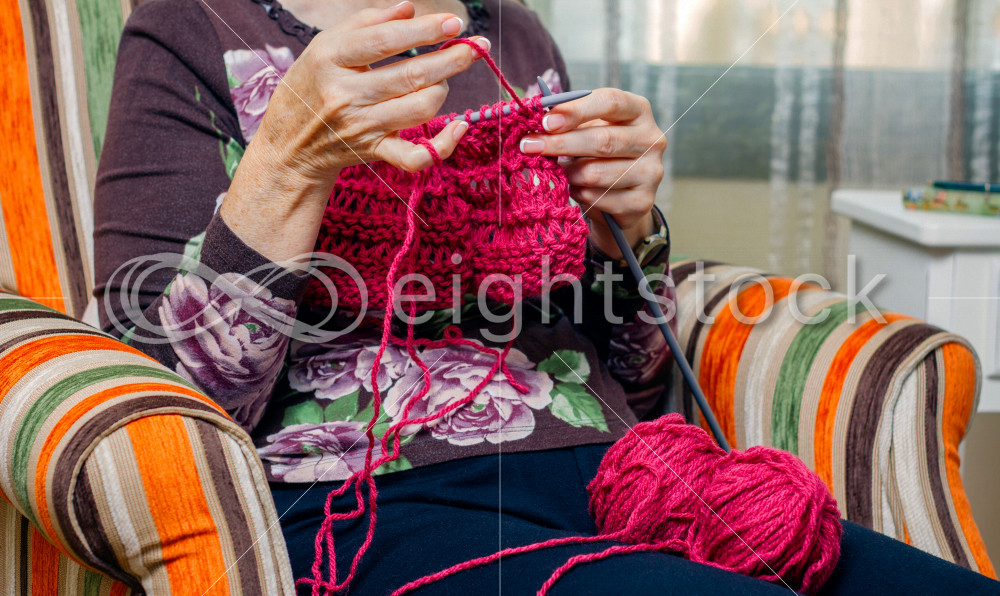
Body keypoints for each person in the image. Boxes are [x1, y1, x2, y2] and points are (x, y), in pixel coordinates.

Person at [93, 0, 1000, 593]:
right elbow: (161, 407)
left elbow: (635, 379)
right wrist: (289, 166)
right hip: (367, 505)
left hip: (619, 476)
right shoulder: (187, 26)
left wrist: (623, 229)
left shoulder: (513, 33)